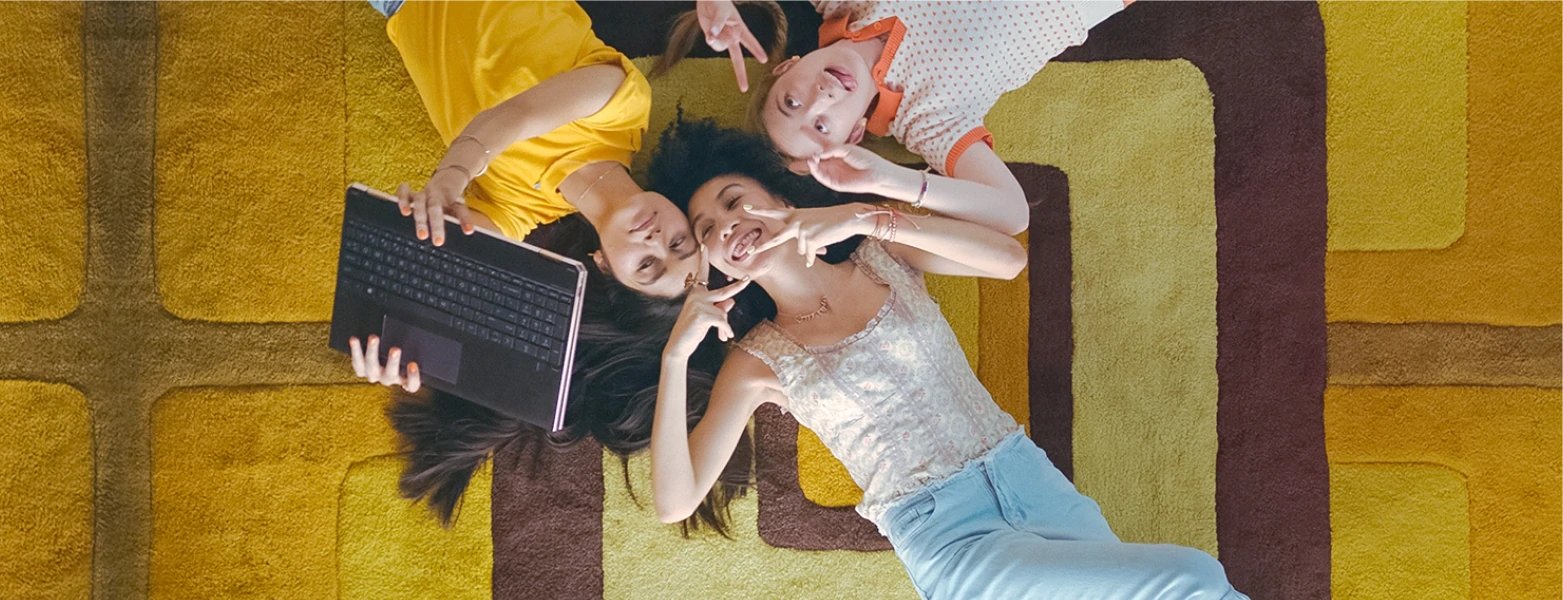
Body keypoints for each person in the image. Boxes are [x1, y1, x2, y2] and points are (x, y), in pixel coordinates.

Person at [644, 119, 1248, 599]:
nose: (727, 226)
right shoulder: (757, 360)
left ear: (779, 196)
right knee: (1192, 582)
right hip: (950, 540)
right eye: (707, 230)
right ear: (716, 265)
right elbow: (676, 501)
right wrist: (676, 356)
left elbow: (1007, 259)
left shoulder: (883, 255)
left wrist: (866, 215)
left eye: (733, 202)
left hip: (1028, 481)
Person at [658, 0, 1133, 236]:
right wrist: (895, 182)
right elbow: (1012, 214)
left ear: (787, 66)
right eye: (822, 127)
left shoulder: (840, 5)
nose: (820, 97)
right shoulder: (926, 117)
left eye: (792, 102)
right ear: (856, 134)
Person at [370, 0, 702, 298]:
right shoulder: (624, 107)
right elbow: (517, 115)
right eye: (677, 242)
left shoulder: (519, 213)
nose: (656, 241)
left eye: (647, 265)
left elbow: (434, 255)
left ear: (604, 265)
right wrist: (451, 176)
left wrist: (427, 222)